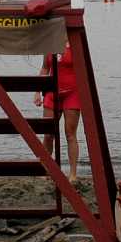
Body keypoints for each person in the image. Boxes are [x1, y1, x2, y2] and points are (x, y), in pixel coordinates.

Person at [40, 47, 83, 186]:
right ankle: (46, 170)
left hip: (72, 93)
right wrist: (37, 91)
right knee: (48, 134)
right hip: (52, 93)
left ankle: (73, 174)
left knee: (70, 134)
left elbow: (84, 70)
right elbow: (45, 68)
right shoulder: (49, 42)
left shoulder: (75, 44)